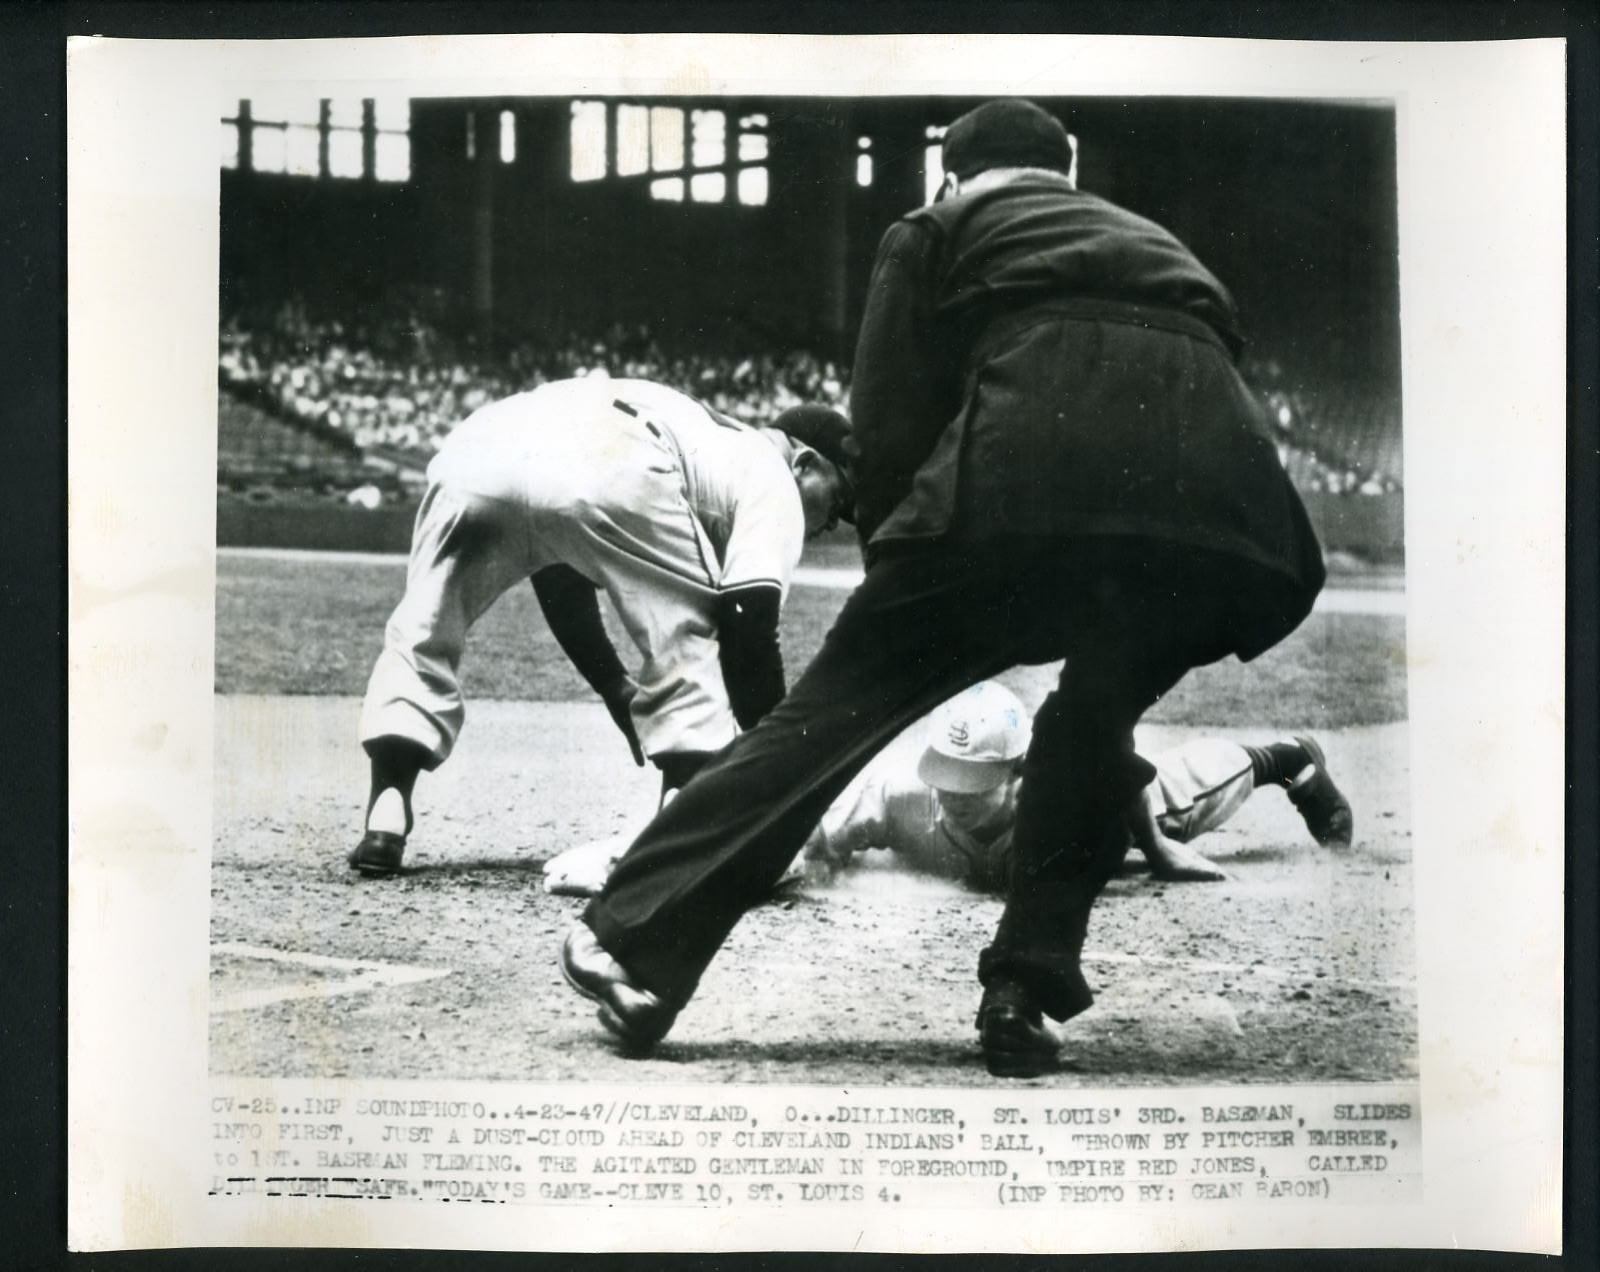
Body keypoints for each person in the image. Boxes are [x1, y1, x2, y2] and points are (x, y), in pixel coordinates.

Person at [560, 99, 1327, 1077]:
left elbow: (885, 415)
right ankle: (1025, 991)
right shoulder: (1153, 240)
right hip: (1217, 513)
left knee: (828, 718)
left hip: (1020, 482)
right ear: (1067, 169)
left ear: (953, 175)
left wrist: (897, 577)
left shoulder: (938, 224)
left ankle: (631, 939)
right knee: (1093, 725)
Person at [350, 376, 854, 876]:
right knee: (691, 635)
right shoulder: (770, 471)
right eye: (836, 501)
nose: (832, 522)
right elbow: (749, 631)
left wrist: (614, 684)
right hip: (612, 450)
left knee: (427, 622)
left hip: (479, 447)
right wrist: (792, 782)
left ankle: (386, 810)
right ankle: (679, 821)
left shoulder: (702, 432)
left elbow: (556, 564)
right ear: (804, 462)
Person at [541, 680, 1351, 895]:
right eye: (950, 777)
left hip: (1112, 817)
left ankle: (1285, 756)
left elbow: (1120, 766)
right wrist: (643, 861)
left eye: (976, 780)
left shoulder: (1055, 789)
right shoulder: (903, 799)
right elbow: (791, 826)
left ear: (1017, 770)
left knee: (1183, 793)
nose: (956, 793)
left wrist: (1161, 851)